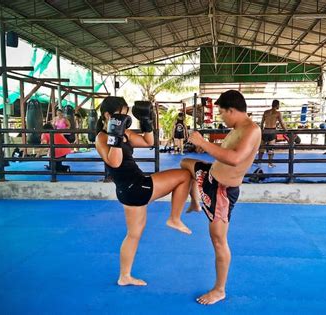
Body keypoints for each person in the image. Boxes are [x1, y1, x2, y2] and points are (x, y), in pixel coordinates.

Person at [95, 97, 192, 286]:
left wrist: (146, 121)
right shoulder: (102, 137)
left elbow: (149, 142)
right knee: (184, 175)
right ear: (108, 115)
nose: (124, 118)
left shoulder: (125, 133)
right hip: (137, 186)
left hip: (129, 190)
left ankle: (125, 276)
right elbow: (114, 162)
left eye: (125, 114)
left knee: (133, 234)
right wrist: (115, 133)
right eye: (121, 115)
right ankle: (174, 218)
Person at [180, 90, 261, 305]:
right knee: (186, 163)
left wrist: (203, 142)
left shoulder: (251, 130)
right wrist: (203, 146)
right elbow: (223, 154)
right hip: (210, 177)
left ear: (232, 110)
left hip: (222, 191)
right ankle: (196, 202)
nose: (221, 117)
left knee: (217, 240)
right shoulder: (236, 129)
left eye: (222, 113)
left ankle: (219, 289)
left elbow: (234, 159)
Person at [258, 99, 287, 168]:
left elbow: (262, 123)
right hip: (272, 131)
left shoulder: (266, 112)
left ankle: (259, 162)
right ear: (277, 105)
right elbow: (282, 123)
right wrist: (286, 131)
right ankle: (270, 164)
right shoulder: (278, 113)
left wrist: (261, 131)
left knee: (262, 148)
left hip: (265, 131)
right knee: (271, 148)